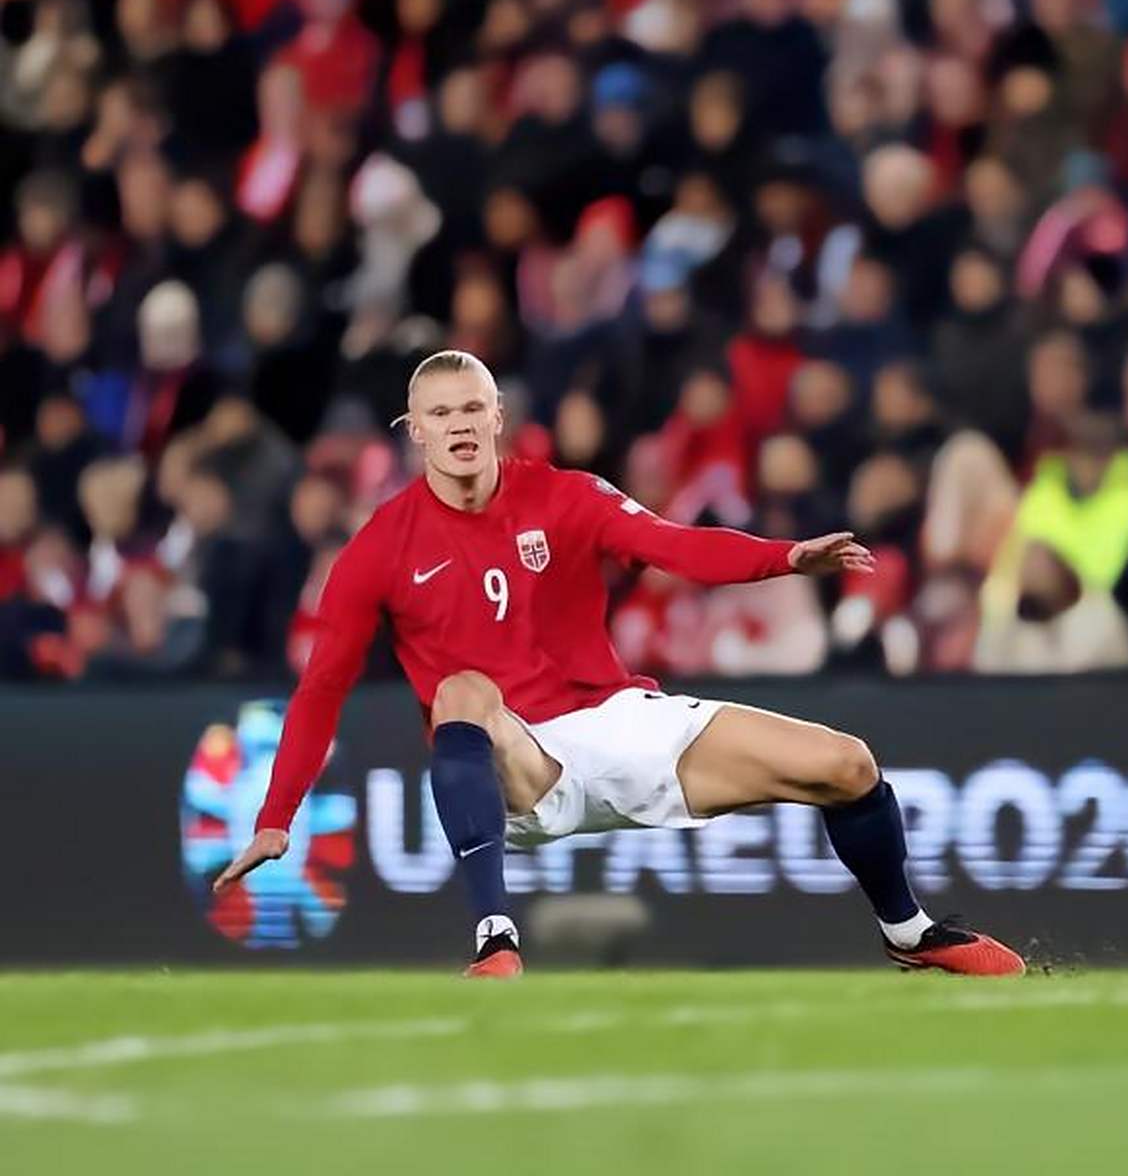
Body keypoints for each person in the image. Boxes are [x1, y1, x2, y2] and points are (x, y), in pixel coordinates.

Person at [215, 350, 1024, 979]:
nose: (459, 424)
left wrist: (784, 557)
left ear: (497, 416)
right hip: (515, 761)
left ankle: (908, 933)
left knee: (847, 765)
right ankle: (495, 938)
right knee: (460, 690)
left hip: (615, 722)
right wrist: (277, 815)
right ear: (414, 431)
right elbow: (321, 688)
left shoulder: (565, 496)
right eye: (439, 412)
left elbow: (675, 546)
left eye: (472, 407)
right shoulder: (378, 549)